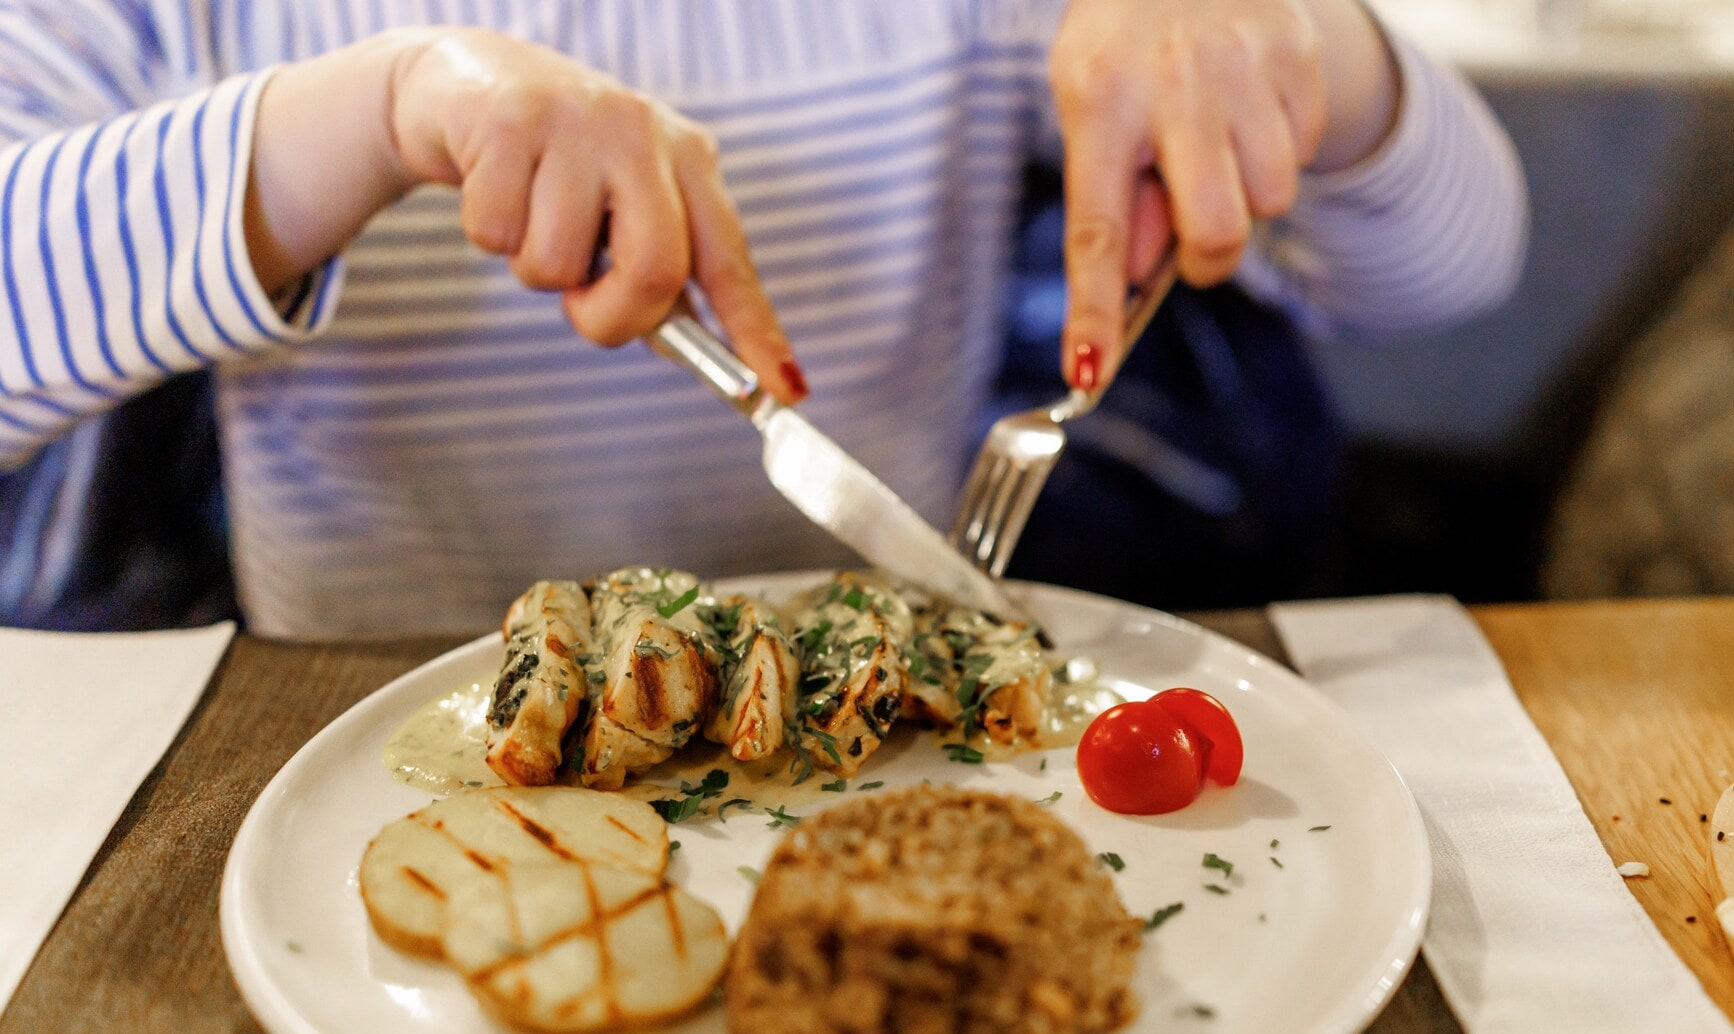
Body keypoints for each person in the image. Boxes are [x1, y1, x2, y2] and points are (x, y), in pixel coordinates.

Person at [0, 0, 1526, 638]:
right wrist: (383, 115)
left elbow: (1458, 272)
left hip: (878, 713)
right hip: (359, 729)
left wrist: (1313, 45)